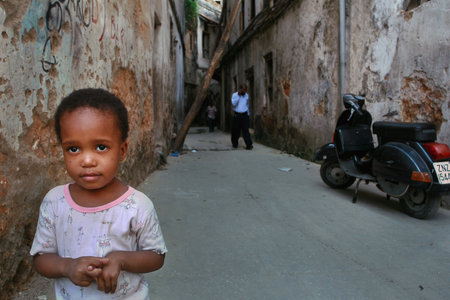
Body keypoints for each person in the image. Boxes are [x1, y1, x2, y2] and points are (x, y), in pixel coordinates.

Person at [30, 88, 167, 299]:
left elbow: (156, 256)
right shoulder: (55, 202)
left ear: (122, 151)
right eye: (73, 149)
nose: (87, 161)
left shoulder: (138, 205)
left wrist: (121, 259)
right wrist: (67, 267)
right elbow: (41, 258)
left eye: (101, 147)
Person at [231, 84, 253, 149]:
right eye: (243, 90)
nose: (244, 91)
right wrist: (239, 95)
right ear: (240, 89)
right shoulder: (234, 95)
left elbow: (247, 105)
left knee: (246, 130)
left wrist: (248, 114)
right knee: (236, 130)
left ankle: (249, 145)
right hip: (237, 115)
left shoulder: (247, 95)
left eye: (245, 90)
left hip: (245, 115)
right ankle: (235, 143)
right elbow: (234, 104)